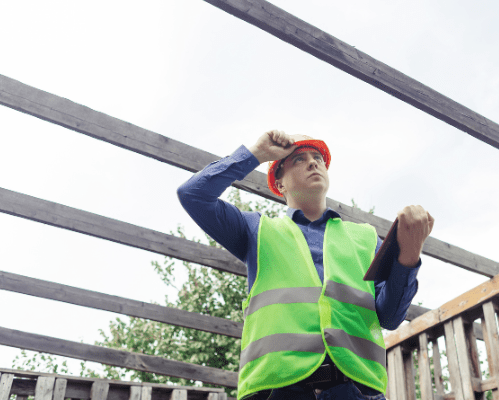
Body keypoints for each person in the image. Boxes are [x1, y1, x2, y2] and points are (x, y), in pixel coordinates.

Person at [177, 130, 434, 400]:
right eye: (299, 160)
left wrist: (410, 253)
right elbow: (193, 194)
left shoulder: (366, 238)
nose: (313, 163)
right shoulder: (257, 231)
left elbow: (390, 317)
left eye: (318, 158)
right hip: (278, 392)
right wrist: (256, 154)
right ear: (280, 183)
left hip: (357, 392)